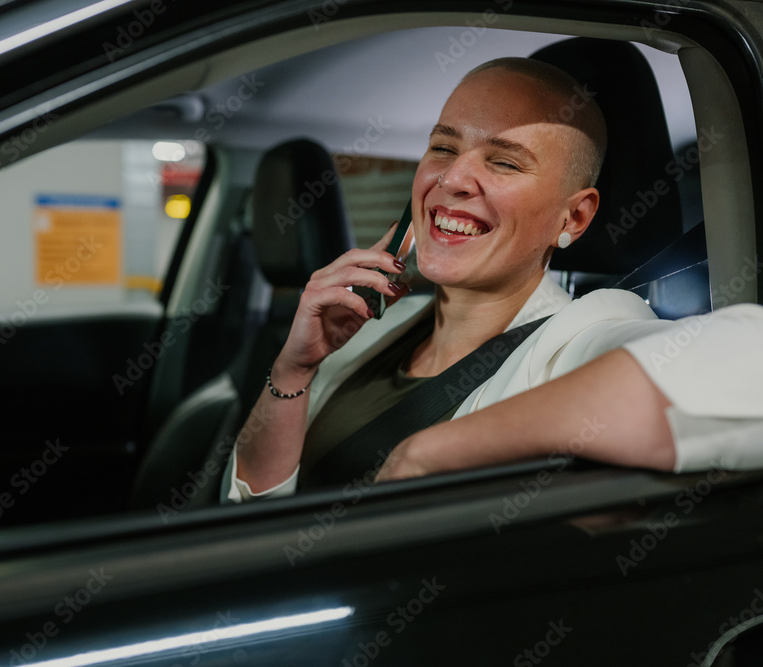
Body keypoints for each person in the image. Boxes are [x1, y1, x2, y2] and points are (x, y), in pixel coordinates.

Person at [221, 57, 763, 502]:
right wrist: (294, 370)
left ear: (573, 218)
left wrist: (431, 453)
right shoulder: (372, 326)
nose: (453, 178)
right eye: (443, 148)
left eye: (504, 163)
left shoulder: (580, 338)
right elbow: (253, 515)